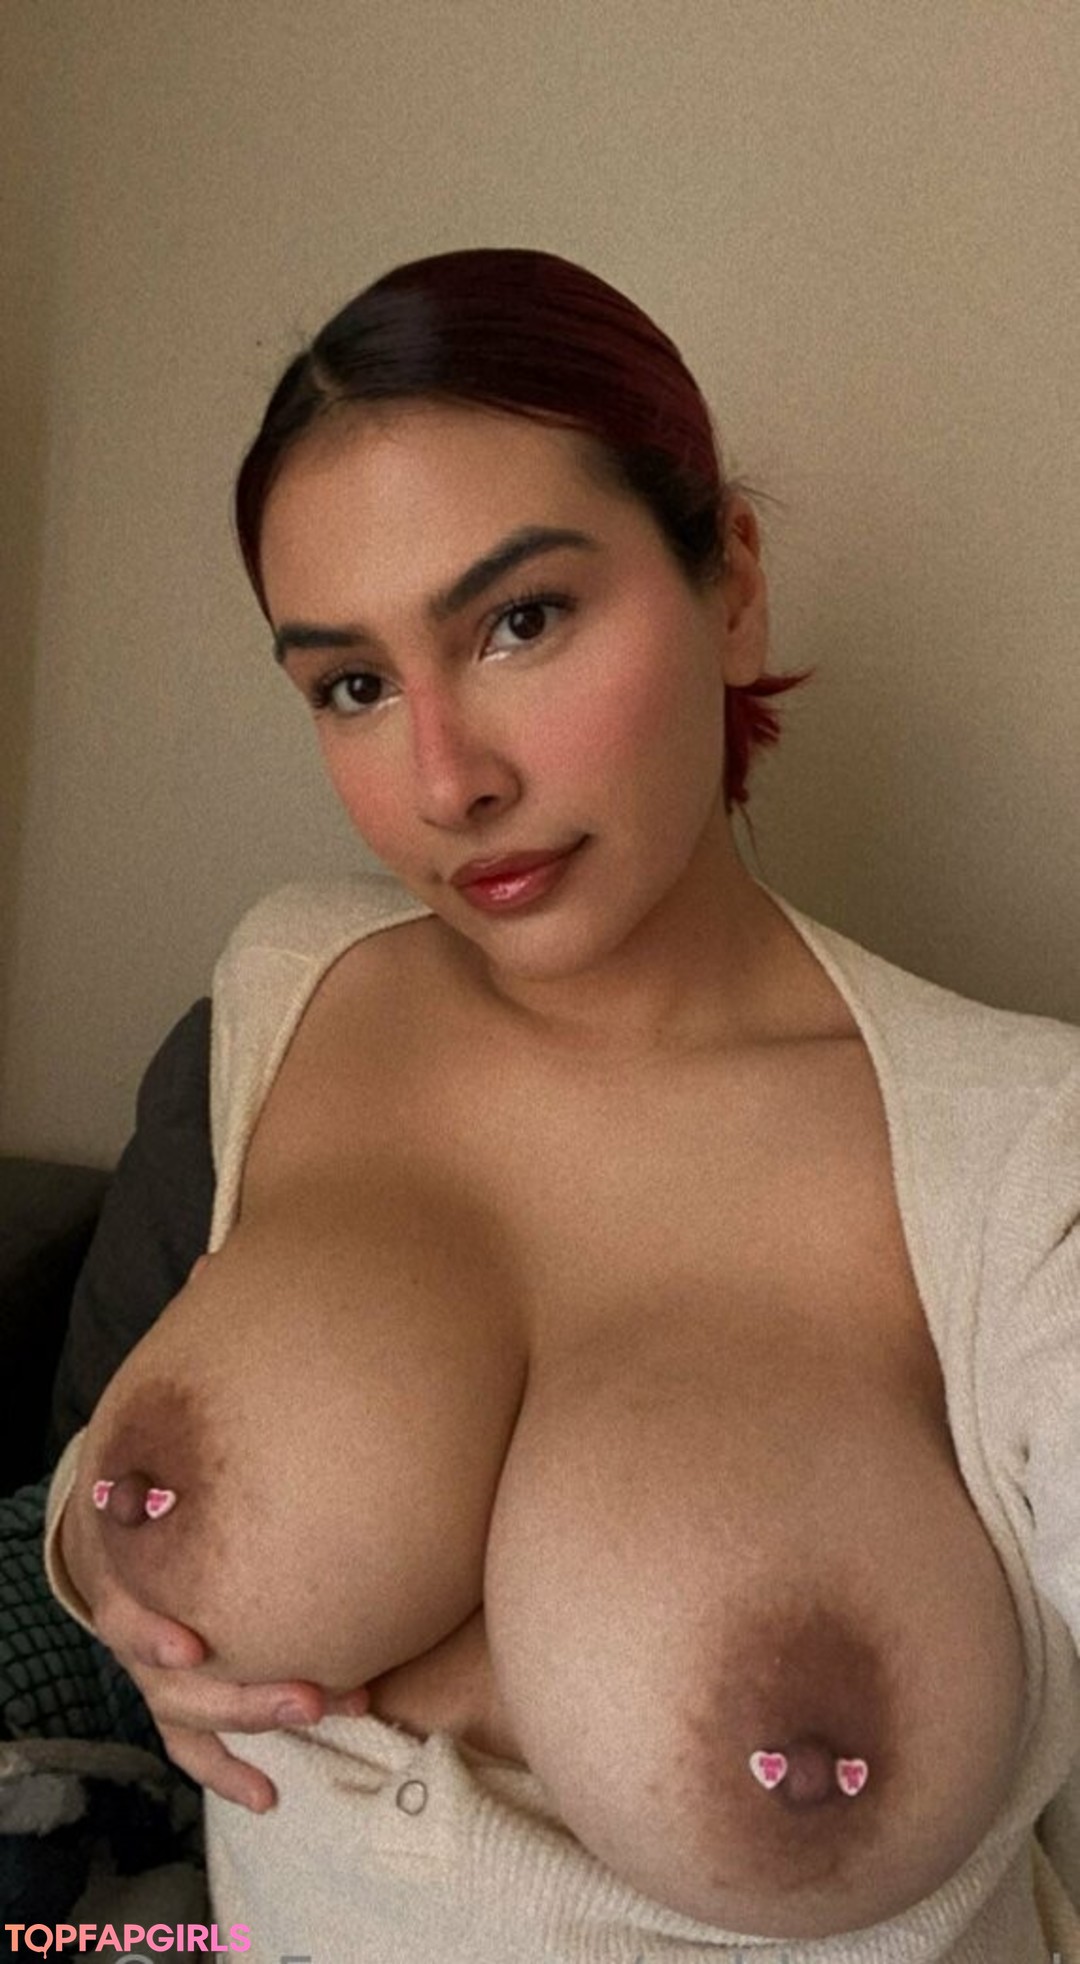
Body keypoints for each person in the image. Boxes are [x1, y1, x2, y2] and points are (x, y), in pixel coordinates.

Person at [42, 247, 1080, 1962]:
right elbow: (120, 1448)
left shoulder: (1023, 1158)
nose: (449, 781)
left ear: (730, 588)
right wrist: (133, 1609)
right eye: (353, 685)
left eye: (520, 620)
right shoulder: (289, 985)